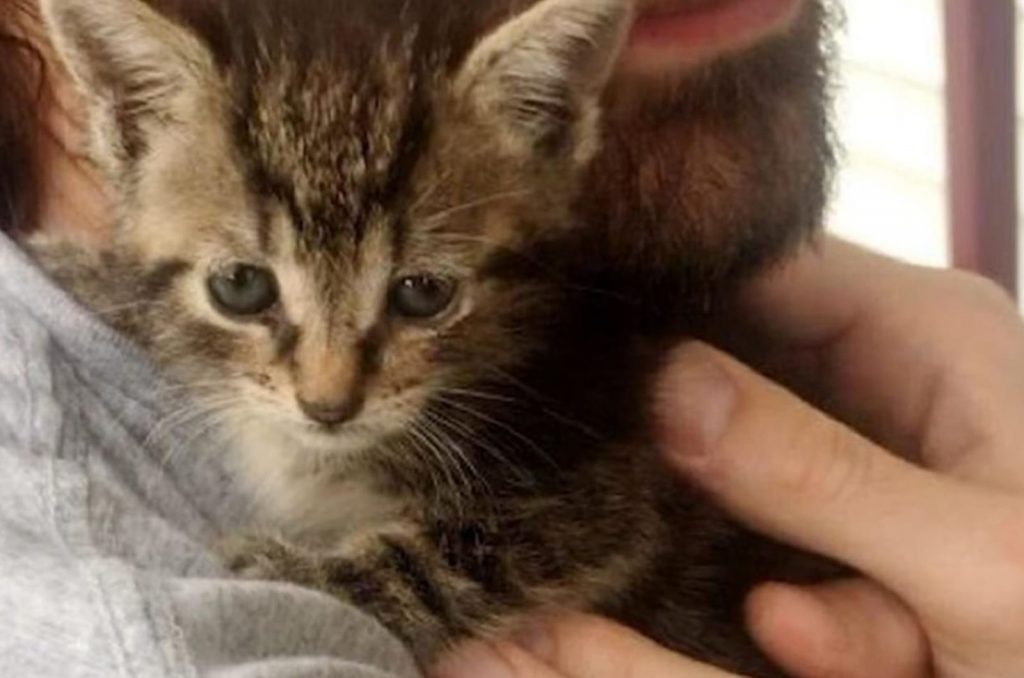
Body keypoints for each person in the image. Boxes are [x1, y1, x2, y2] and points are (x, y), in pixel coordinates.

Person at [2, 1, 1022, 677]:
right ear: (126, 115)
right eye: (237, 285)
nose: (327, 390)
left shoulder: (861, 341)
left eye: (423, 293)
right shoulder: (108, 627)